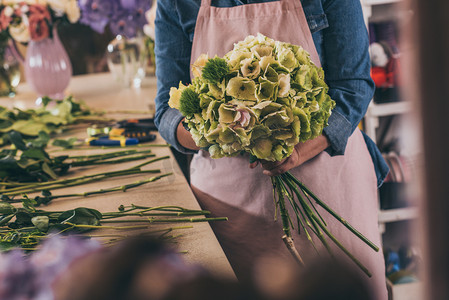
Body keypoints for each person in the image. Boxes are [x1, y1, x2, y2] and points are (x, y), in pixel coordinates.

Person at [154, 0, 389, 299]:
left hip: (326, 185)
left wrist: (299, 151)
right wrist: (215, 129)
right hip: (232, 208)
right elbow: (166, 111)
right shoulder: (176, 4)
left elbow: (353, 87)